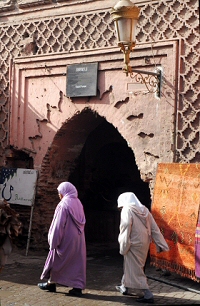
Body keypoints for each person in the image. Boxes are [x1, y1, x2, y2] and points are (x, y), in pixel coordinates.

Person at [116, 192, 169, 304]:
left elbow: (125, 229)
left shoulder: (127, 210)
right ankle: (124, 286)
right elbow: (154, 228)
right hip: (144, 243)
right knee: (133, 265)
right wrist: (161, 243)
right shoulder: (144, 210)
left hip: (133, 243)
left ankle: (147, 294)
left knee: (136, 268)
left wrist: (123, 246)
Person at [38, 182, 86, 297]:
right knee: (76, 262)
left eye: (60, 192)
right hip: (78, 239)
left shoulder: (63, 204)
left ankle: (51, 283)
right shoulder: (78, 203)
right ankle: (77, 287)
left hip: (65, 237)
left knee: (56, 259)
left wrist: (54, 241)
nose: (59, 195)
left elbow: (58, 225)